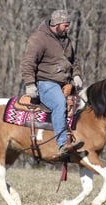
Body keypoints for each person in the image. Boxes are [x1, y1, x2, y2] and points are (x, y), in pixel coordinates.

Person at [21, 9, 84, 157]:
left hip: (65, 84)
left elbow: (74, 61)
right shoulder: (39, 39)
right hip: (46, 83)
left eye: (68, 25)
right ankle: (62, 144)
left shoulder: (66, 40)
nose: (68, 28)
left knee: (84, 104)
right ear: (56, 24)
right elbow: (28, 62)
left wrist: (76, 75)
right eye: (65, 25)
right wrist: (30, 83)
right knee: (59, 104)